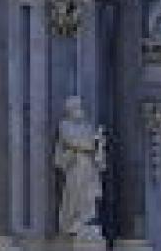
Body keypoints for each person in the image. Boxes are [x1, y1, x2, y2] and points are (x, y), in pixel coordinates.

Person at [52, 97, 107, 239]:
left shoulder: (87, 126)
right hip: (75, 164)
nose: (79, 110)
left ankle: (85, 221)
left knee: (88, 195)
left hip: (89, 165)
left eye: (80, 107)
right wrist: (91, 143)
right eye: (75, 107)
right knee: (74, 193)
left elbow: (94, 144)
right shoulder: (65, 125)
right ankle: (72, 222)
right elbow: (71, 141)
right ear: (69, 109)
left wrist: (99, 141)